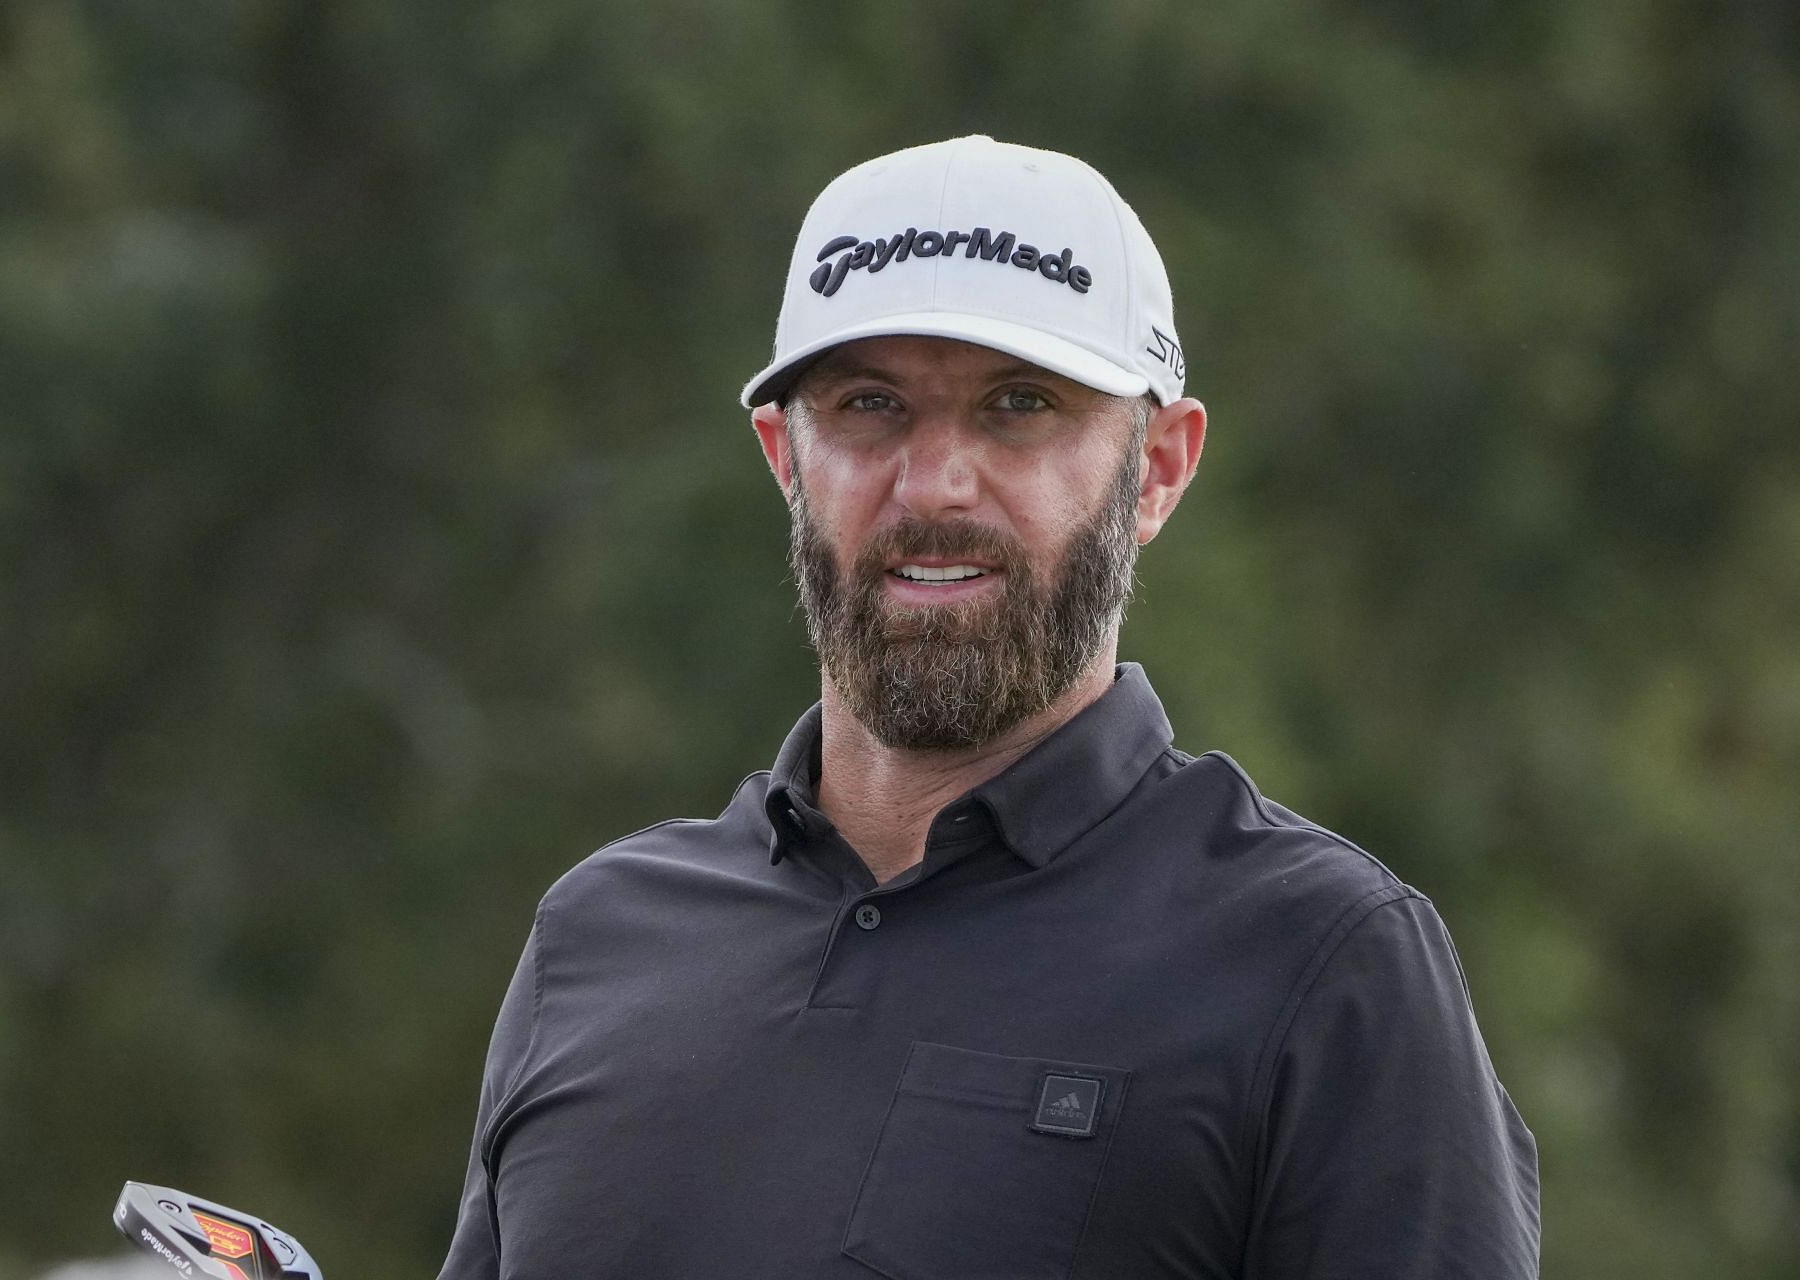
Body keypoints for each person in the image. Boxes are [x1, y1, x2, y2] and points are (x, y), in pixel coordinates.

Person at [436, 135, 1540, 1279]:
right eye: (870, 404)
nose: (934, 484)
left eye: (1020, 405)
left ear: (1157, 467)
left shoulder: (1323, 962)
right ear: (785, 458)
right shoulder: (601, 935)